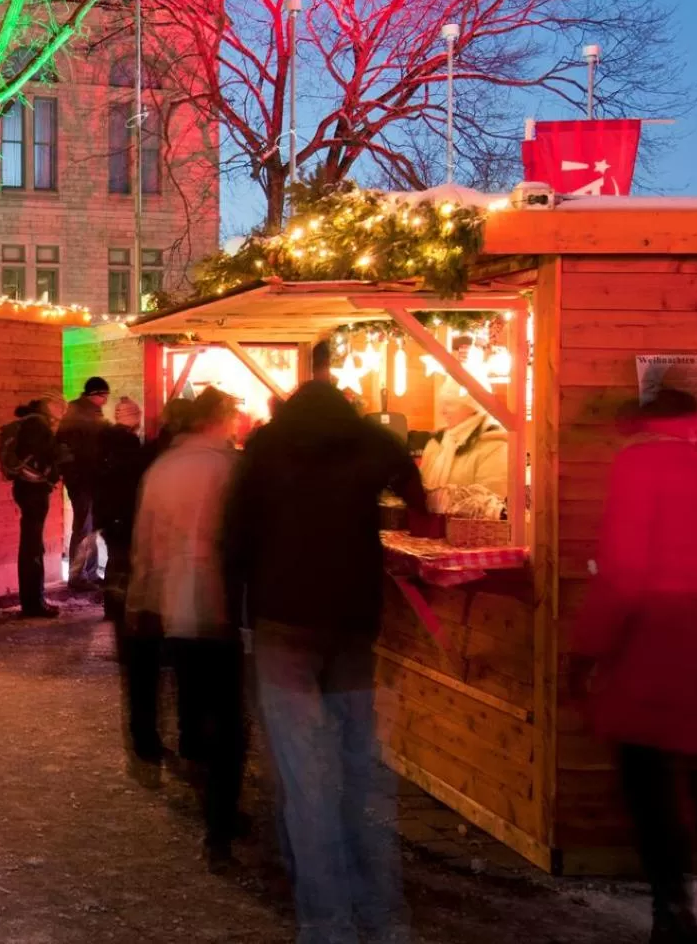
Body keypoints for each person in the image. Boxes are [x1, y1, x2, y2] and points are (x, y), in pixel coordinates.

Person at [223, 340, 428, 943]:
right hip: (352, 624)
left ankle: (326, 923)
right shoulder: (368, 440)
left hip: (283, 623)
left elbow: (235, 538)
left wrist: (237, 614)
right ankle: (383, 916)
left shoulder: (265, 447)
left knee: (305, 776)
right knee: (360, 772)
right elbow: (417, 494)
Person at [570, 388, 697, 944]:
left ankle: (673, 910)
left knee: (648, 786)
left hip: (659, 647)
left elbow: (623, 570)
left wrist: (586, 650)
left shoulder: (642, 462)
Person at [125, 388, 247, 868]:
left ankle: (207, 802)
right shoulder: (230, 468)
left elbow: (147, 541)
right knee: (228, 717)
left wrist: (144, 597)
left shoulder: (164, 469)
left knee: (195, 705)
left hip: (174, 602)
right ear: (220, 418)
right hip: (220, 605)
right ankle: (219, 822)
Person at [7, 395, 64, 618]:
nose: (63, 413)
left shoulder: (29, 423)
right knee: (32, 547)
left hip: (26, 488)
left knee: (31, 544)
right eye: (60, 409)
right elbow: (48, 454)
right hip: (33, 490)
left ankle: (33, 601)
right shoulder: (38, 426)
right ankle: (33, 603)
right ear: (50, 410)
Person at [96, 396, 146, 630]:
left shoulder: (105, 440)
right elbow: (131, 482)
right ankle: (118, 608)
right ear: (134, 419)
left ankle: (111, 607)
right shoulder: (129, 445)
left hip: (106, 511)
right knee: (122, 560)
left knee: (114, 558)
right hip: (122, 511)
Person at [57, 376, 111, 588]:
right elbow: (86, 451)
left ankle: (89, 572)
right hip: (83, 480)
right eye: (103, 396)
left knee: (89, 526)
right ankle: (78, 575)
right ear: (94, 395)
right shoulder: (82, 415)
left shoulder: (86, 412)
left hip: (87, 479)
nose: (105, 400)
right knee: (84, 526)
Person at [419, 379, 508, 497]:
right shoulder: (435, 444)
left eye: (450, 404)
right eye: (442, 404)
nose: (442, 411)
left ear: (472, 408)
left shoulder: (494, 447)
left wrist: (442, 499)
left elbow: (490, 503)